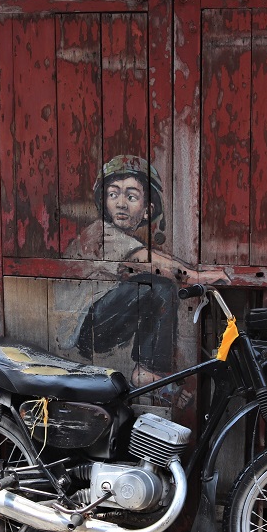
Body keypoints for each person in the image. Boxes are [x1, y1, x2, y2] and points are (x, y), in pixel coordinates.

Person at [64, 155, 224, 390]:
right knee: (157, 287)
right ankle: (148, 371)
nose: (121, 203)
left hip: (99, 323)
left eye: (131, 197)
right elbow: (147, 260)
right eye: (113, 194)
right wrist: (195, 276)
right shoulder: (100, 232)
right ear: (104, 202)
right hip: (81, 328)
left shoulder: (124, 240)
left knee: (151, 288)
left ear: (148, 211)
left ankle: (147, 371)